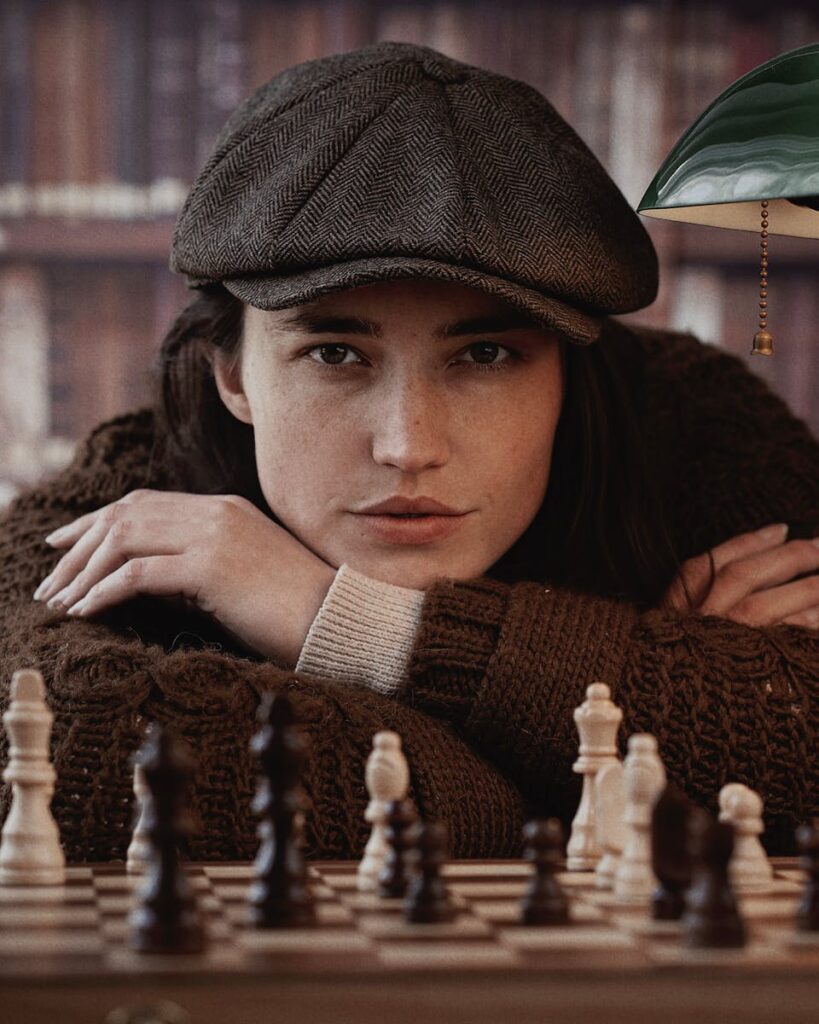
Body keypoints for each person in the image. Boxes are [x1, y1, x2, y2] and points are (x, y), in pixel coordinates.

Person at [0, 42, 816, 862]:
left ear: (569, 366)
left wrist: (336, 620)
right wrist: (631, 752)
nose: (408, 446)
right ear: (231, 374)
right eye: (334, 354)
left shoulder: (688, 418)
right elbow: (67, 742)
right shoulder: (137, 481)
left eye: (485, 356)